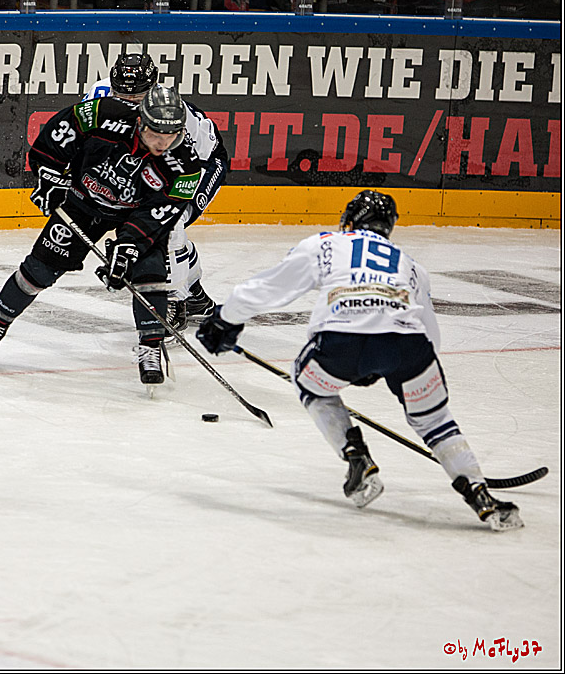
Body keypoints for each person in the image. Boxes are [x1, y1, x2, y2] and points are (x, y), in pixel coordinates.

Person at [196, 190, 523, 531]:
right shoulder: (411, 265)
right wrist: (398, 370)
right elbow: (430, 335)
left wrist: (226, 319)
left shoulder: (326, 244)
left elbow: (268, 288)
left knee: (308, 382)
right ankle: (479, 492)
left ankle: (355, 456)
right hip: (410, 350)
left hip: (341, 344)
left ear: (349, 221)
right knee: (435, 420)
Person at [0, 84, 204, 390]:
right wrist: (47, 173)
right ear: (141, 122)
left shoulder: (185, 166)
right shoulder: (102, 114)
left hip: (134, 216)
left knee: (150, 272)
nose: (163, 143)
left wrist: (130, 245)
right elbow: (57, 134)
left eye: (171, 136)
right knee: (38, 271)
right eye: (156, 134)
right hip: (82, 202)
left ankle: (151, 347)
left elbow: (160, 213)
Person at [84, 53, 229, 338]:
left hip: (200, 165)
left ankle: (174, 301)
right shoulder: (97, 95)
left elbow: (185, 168)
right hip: (151, 164)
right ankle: (196, 296)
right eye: (122, 93)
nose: (130, 101)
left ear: (152, 88)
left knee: (168, 226)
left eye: (138, 94)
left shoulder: (172, 112)